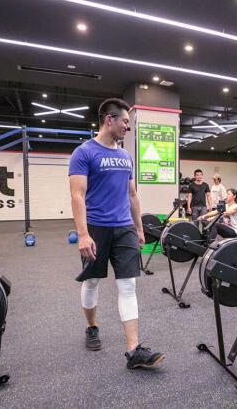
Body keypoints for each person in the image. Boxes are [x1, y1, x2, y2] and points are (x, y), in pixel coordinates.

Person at [69, 98, 164, 369]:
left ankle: (134, 350)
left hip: (124, 228)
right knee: (92, 282)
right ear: (109, 119)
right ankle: (92, 327)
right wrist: (83, 234)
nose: (127, 127)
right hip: (96, 228)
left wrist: (139, 227)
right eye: (124, 121)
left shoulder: (125, 156)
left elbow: (132, 195)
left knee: (128, 285)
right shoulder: (84, 152)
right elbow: (77, 195)